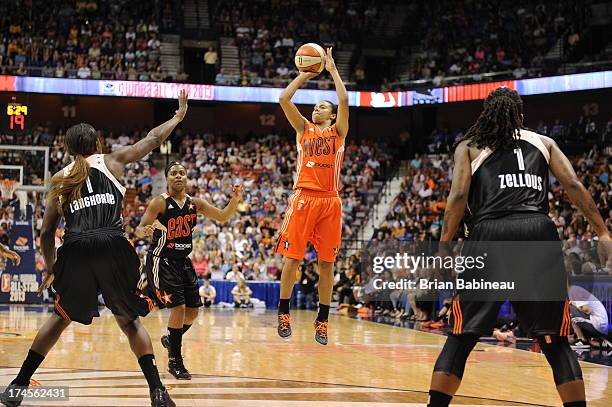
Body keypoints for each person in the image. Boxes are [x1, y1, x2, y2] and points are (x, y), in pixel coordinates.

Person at [0, 89, 189, 407]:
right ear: (97, 144)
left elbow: (46, 234)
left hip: (76, 249)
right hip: (113, 244)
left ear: (69, 149)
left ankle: (18, 386)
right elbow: (153, 139)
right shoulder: (113, 161)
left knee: (59, 317)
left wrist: (52, 269)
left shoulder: (59, 178)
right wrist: (178, 116)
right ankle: (158, 391)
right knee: (129, 321)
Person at [427, 87, 612, 407]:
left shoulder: (469, 146)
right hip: (537, 232)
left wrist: (444, 247)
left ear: (485, 115)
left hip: (490, 233)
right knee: (555, 340)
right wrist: (603, 232)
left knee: (462, 334)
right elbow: (573, 185)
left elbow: (457, 197)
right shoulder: (545, 142)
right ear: (521, 117)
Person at [135, 162, 242, 380]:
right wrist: (143, 230)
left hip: (183, 261)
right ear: (167, 178)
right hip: (161, 260)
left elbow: (222, 216)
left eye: (182, 173)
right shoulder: (159, 203)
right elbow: (138, 229)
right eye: (173, 173)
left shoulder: (196, 204)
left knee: (193, 311)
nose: (178, 176)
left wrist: (235, 200)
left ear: (187, 178)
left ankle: (170, 340)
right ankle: (175, 361)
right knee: (179, 308)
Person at [274, 48, 348, 346]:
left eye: (321, 108)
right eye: (315, 108)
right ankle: (283, 312)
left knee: (327, 263)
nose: (316, 111)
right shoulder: (303, 129)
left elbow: (343, 99)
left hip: (330, 201)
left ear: (331, 116)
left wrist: (331, 70)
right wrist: (305, 74)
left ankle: (323, 319)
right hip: (304, 197)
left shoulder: (338, 134)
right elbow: (283, 99)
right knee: (292, 258)